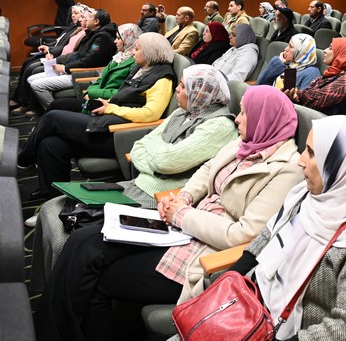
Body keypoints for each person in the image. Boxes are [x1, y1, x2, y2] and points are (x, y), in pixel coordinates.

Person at [33, 86, 305, 341]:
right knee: (84, 240)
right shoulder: (247, 142)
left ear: (264, 119)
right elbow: (207, 171)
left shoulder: (287, 168)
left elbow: (245, 234)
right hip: (183, 226)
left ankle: (55, 332)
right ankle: (51, 330)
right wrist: (184, 196)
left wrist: (182, 215)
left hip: (205, 251)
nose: (237, 118)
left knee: (98, 276)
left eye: (244, 113)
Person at [28, 65, 239, 287]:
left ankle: (60, 287)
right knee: (52, 207)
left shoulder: (220, 126)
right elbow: (139, 146)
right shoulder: (182, 113)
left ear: (200, 94)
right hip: (137, 183)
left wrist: (155, 156)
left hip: (158, 199)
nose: (177, 90)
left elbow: (166, 162)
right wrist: (155, 160)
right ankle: (45, 285)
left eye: (184, 87)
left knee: (72, 235)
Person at [224, 116, 346, 340]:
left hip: (286, 333)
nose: (301, 161)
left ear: (341, 165)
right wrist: (227, 281)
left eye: (311, 153)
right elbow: (269, 234)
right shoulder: (311, 194)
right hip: (249, 302)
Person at [17, 32, 176, 201]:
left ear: (150, 53)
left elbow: (150, 114)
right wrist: (107, 103)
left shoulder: (162, 79)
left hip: (120, 134)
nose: (132, 52)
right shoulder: (142, 69)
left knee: (53, 118)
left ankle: (23, 160)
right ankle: (52, 197)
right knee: (50, 144)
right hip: (108, 123)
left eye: (136, 49)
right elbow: (126, 97)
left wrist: (111, 108)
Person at [26, 8, 117, 115]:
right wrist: (62, 63)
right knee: (31, 79)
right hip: (74, 68)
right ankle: (52, 111)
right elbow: (79, 55)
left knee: (37, 85)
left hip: (82, 73)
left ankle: (54, 112)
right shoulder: (93, 33)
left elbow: (89, 61)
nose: (85, 19)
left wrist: (65, 68)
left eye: (89, 17)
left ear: (96, 21)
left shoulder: (102, 37)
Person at [46, 23, 143, 114]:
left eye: (118, 38)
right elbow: (101, 79)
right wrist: (89, 91)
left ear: (129, 40)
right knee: (56, 107)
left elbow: (123, 92)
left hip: (107, 105)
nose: (115, 41)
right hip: (95, 100)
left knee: (57, 107)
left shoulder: (136, 62)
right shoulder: (119, 57)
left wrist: (93, 93)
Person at [11, 3, 89, 114]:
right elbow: (60, 41)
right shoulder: (74, 27)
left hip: (64, 61)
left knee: (33, 69)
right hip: (59, 56)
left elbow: (74, 53)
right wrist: (48, 48)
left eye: (77, 14)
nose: (73, 16)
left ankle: (32, 106)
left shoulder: (86, 34)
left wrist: (53, 53)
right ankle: (21, 100)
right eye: (72, 13)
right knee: (27, 63)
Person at [285, 37, 346, 116]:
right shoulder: (330, 74)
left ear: (343, 55)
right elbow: (307, 95)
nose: (325, 50)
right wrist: (295, 97)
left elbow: (315, 100)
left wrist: (298, 95)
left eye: (330, 48)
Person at [257, 33, 321, 90]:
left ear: (302, 51)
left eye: (291, 46)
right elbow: (260, 84)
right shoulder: (288, 64)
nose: (286, 49)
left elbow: (303, 99)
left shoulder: (311, 73)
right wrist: (278, 62)